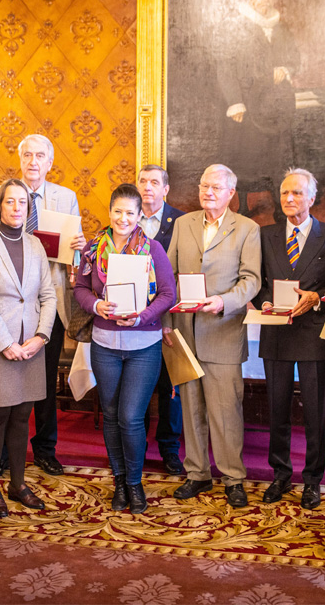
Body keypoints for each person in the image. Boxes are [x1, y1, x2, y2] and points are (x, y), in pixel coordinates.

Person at [0, 134, 84, 476]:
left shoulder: (66, 198)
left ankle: (46, 448)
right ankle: (5, 453)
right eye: (28, 155)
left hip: (46, 305)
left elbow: (74, 259)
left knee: (43, 384)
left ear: (50, 162)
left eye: (40, 156)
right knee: (5, 392)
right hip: (3, 309)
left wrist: (78, 246)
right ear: (20, 159)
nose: (34, 161)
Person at [73, 184, 177, 513]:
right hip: (104, 345)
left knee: (131, 417)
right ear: (109, 212)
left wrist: (143, 316)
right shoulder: (93, 249)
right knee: (112, 415)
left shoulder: (153, 249)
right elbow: (79, 288)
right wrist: (96, 306)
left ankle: (135, 482)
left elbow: (167, 294)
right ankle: (118, 481)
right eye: (117, 211)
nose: (123, 218)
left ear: (139, 216)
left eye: (130, 213)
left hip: (143, 345)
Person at [164, 164, 262, 508]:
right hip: (184, 333)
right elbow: (169, 275)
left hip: (222, 331)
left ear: (231, 193)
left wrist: (223, 302)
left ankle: (233, 477)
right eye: (204, 186)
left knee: (225, 412)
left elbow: (251, 280)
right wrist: (166, 323)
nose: (208, 192)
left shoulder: (247, 229)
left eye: (216, 188)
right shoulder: (183, 224)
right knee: (191, 409)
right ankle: (197, 474)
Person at [253, 169, 325, 509]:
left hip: (314, 333)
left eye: (296, 193)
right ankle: (280, 474)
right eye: (284, 194)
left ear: (311, 198)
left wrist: (318, 298)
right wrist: (264, 299)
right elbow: (257, 279)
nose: (289, 199)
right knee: (277, 409)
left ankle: (312, 479)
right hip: (276, 332)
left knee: (313, 413)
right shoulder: (266, 236)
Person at [0, 179, 57, 518]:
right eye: (10, 202)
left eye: (22, 203)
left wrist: (41, 337)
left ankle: (18, 484)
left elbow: (48, 296)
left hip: (32, 345)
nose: (17, 207)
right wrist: (6, 344)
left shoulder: (36, 245)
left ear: (29, 209)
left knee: (23, 416)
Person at [216, 0, 300, 215]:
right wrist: (235, 101)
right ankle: (242, 207)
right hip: (248, 103)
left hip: (277, 105)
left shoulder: (280, 26)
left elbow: (295, 57)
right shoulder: (234, 26)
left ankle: (279, 203)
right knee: (246, 159)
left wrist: (285, 69)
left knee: (278, 158)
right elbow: (224, 66)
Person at [137, 164, 186, 475]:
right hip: (136, 321)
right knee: (137, 388)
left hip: (168, 319)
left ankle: (169, 450)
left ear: (166, 189)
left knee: (171, 389)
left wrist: (168, 317)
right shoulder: (126, 218)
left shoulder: (181, 222)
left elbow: (182, 273)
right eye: (143, 181)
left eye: (154, 182)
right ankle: (136, 448)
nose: (147, 187)